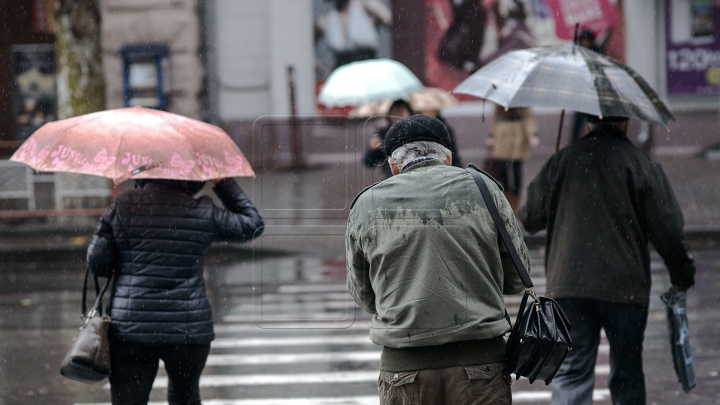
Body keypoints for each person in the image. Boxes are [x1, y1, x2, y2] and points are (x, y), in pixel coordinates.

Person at [347, 114, 530, 405]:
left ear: (393, 165)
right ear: (448, 157)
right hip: (480, 364)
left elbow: (366, 298)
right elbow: (517, 279)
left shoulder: (366, 205)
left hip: (404, 370)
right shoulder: (485, 189)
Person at [519, 116, 696, 405]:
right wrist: (682, 274)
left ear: (588, 124)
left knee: (572, 371)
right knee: (626, 373)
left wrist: (548, 179)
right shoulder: (641, 164)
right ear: (626, 122)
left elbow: (530, 218)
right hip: (625, 288)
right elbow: (668, 230)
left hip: (569, 286)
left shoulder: (563, 161)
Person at [87, 178, 264, 405]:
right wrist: (223, 183)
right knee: (185, 396)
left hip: (131, 328)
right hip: (188, 329)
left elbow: (98, 264)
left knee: (129, 399)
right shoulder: (203, 210)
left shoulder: (123, 205)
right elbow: (252, 225)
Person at [487, 105, 539, 212]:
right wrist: (491, 135)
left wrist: (533, 134)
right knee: (502, 171)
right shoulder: (500, 98)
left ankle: (515, 206)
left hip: (518, 133)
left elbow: (528, 117)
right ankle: (506, 202)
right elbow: (495, 116)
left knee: (516, 172)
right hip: (502, 134)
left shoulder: (522, 98)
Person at [363, 99, 414, 179]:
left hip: (412, 178)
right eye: (394, 112)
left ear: (409, 113)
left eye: (401, 112)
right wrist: (372, 150)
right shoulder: (383, 134)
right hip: (390, 180)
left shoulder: (416, 132)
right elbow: (369, 163)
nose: (397, 115)